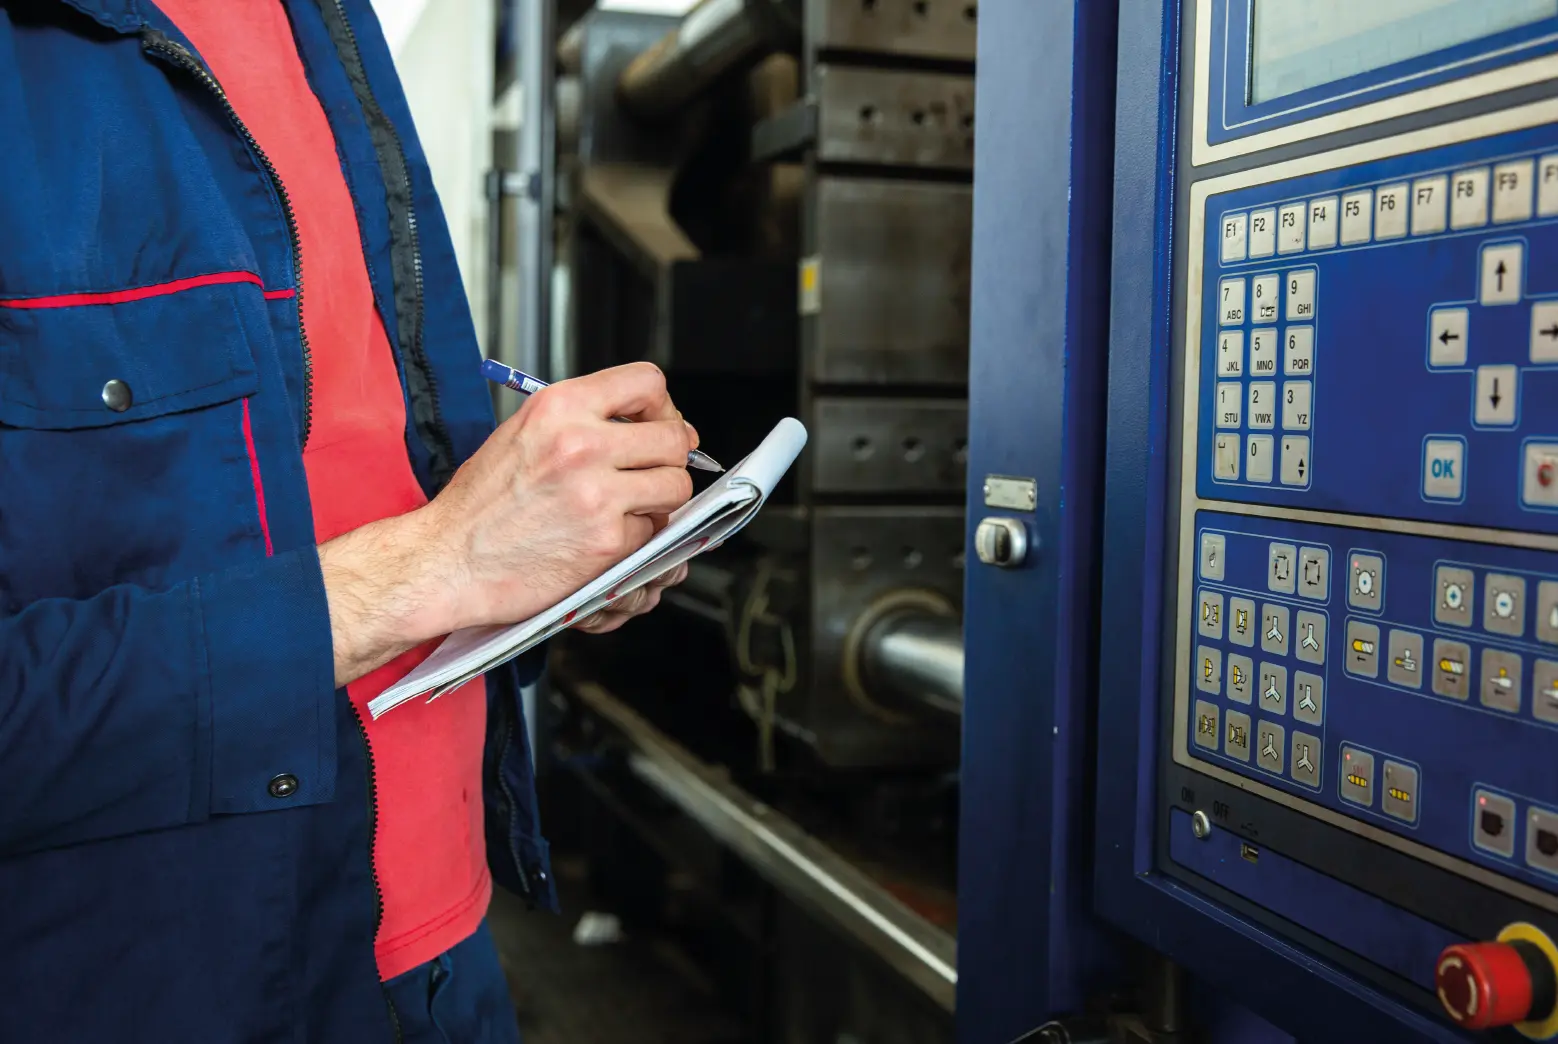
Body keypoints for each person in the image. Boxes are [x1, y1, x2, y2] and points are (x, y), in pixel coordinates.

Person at [0, 1, 694, 1040]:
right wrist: (435, 561)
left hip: (451, 949)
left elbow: (361, 462)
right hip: (180, 989)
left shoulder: (326, 24)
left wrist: (550, 566)